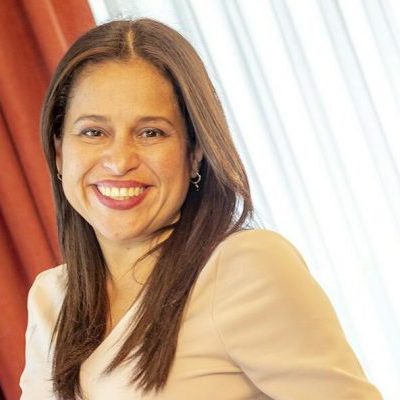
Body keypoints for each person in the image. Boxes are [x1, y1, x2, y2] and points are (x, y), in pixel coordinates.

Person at [19, 18, 383, 400]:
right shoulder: (51, 298)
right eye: (93, 132)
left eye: (151, 132)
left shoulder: (244, 268)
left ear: (194, 153)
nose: (120, 160)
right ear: (59, 153)